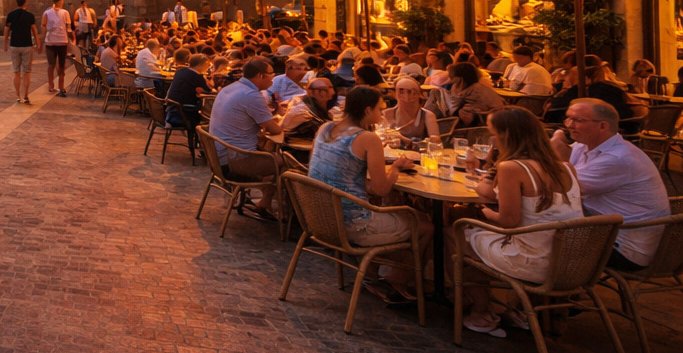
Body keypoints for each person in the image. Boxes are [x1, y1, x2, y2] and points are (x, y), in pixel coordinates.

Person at [460, 107, 584, 337]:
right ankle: (518, 309)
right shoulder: (567, 168)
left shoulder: (512, 168)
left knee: (458, 235)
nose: (491, 139)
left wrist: (484, 212)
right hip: (573, 265)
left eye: (493, 133)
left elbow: (508, 221)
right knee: (481, 234)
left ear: (507, 135)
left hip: (535, 263)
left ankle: (480, 310)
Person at [306, 85, 426, 305]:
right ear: (368, 110)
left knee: (389, 207)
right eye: (380, 110)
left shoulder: (325, 128)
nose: (381, 114)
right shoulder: (368, 138)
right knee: (426, 225)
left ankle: (371, 274)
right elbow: (382, 189)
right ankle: (395, 281)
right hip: (352, 225)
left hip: (320, 218)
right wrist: (397, 168)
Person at [551, 98, 670, 271]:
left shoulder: (617, 158)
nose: (569, 125)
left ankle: (544, 289)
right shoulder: (585, 145)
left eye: (578, 120)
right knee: (537, 226)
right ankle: (555, 289)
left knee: (533, 236)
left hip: (625, 248)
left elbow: (561, 187)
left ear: (602, 126)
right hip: (605, 231)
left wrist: (554, 142)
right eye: (568, 118)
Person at [207, 58, 284, 218]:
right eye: (271, 74)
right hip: (234, 161)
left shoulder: (231, 88)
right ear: (261, 76)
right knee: (288, 165)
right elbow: (274, 129)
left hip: (218, 156)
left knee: (272, 155)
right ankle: (285, 211)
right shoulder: (251, 95)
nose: (273, 78)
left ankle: (265, 202)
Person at [442, 62, 501, 128]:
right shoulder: (456, 86)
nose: (450, 79)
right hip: (466, 117)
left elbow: (470, 112)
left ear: (461, 77)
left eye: (453, 77)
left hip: (482, 121)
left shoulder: (476, 90)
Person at [4, 0, 39, 105]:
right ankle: (26, 95)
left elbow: (6, 30)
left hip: (14, 45)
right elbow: (34, 30)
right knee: (27, 71)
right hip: (27, 45)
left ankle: (18, 95)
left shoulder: (11, 15)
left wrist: (5, 43)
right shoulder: (30, 16)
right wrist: (38, 43)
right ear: (25, 3)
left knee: (16, 72)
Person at [42, 0, 72, 97]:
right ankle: (55, 86)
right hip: (56, 41)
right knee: (55, 64)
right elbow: (68, 28)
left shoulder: (63, 12)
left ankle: (58, 86)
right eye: (62, 1)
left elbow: (43, 25)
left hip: (58, 41)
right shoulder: (49, 12)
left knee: (58, 65)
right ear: (59, 1)